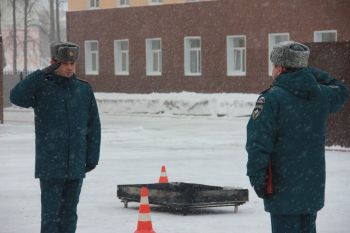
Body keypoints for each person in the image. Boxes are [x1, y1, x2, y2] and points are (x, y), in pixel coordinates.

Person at [246, 41, 348, 233]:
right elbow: (341, 89)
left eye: (274, 65)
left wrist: (257, 178)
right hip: (311, 188)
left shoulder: (271, 99)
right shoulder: (320, 95)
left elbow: (257, 143)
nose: (273, 70)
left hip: (282, 189)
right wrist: (305, 70)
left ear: (281, 68)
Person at [10, 41, 101, 233]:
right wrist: (42, 73)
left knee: (69, 216)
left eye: (72, 64)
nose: (69, 68)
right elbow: (16, 97)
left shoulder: (83, 90)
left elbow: (93, 126)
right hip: (51, 166)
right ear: (54, 63)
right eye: (64, 63)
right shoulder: (42, 88)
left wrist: (92, 158)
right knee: (51, 218)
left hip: (76, 165)